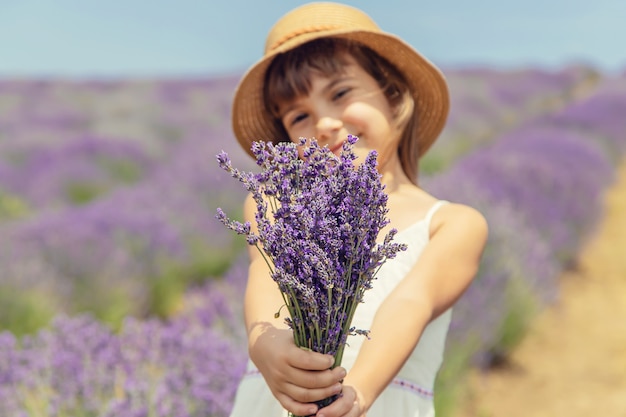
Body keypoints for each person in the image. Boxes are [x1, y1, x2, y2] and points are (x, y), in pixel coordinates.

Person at [227, 2, 488, 417]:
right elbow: (265, 280)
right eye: (299, 116)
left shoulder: (450, 224)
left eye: (341, 93)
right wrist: (265, 344)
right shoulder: (278, 206)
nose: (325, 124)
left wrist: (358, 394)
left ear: (393, 95)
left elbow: (411, 304)